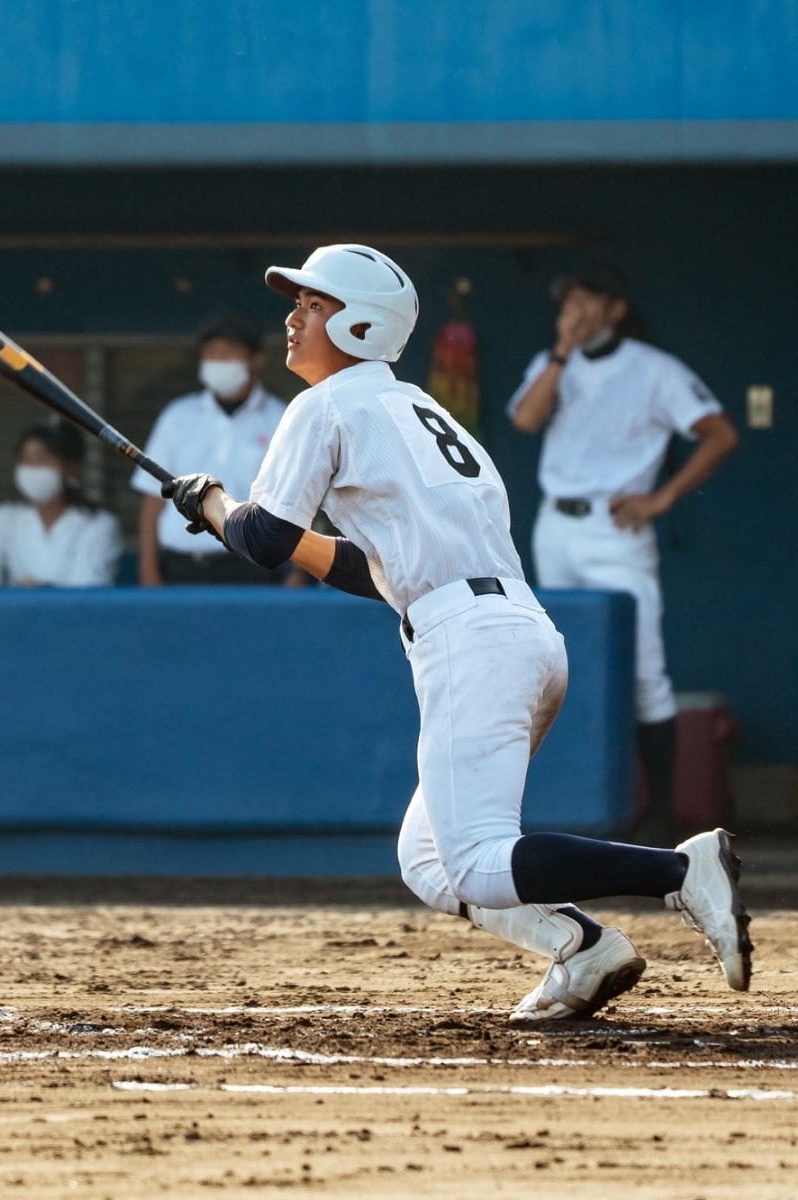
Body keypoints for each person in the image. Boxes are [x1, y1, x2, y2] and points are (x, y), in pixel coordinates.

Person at [159, 244, 752, 1022]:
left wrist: (213, 505)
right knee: (430, 860)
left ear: (361, 323)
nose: (292, 318)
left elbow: (264, 541)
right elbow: (358, 569)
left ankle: (679, 870)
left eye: (312, 305)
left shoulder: (326, 404)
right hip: (513, 631)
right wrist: (225, 509)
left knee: (475, 861)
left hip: (471, 643)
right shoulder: (417, 409)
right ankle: (585, 948)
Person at [507, 263, 739, 840]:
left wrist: (662, 497)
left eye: (589, 302)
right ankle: (573, 803)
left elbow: (720, 433)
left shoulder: (654, 370)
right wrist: (562, 350)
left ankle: (660, 813)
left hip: (617, 530)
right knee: (557, 662)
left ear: (615, 309)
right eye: (570, 303)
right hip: (556, 523)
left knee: (643, 669)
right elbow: (525, 418)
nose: (578, 312)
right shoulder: (552, 363)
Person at [133, 311, 290, 585]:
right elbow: (152, 499)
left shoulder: (281, 418)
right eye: (211, 353)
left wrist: (297, 573)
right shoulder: (177, 416)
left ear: (256, 360)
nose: (218, 361)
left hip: (253, 571)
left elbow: (296, 502)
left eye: (228, 352)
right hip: (181, 569)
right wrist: (148, 569)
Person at [0, 422, 121, 587]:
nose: (32, 468)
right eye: (25, 459)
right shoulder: (5, 518)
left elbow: (86, 586)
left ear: (71, 467)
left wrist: (36, 590)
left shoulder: (98, 523)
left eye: (42, 459)